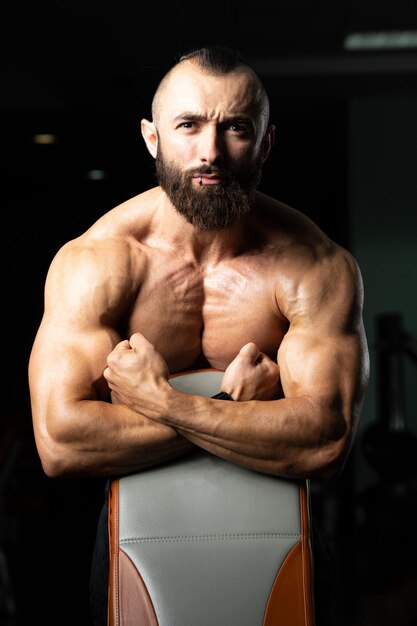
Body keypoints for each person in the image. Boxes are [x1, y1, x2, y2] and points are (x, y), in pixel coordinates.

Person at [28, 44, 369, 625]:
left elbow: (325, 443)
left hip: (286, 546)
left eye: (235, 128)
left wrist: (159, 400)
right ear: (152, 137)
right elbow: (61, 444)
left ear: (264, 143)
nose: (210, 153)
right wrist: (239, 409)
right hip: (134, 550)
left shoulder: (315, 266)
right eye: (188, 125)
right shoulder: (97, 262)